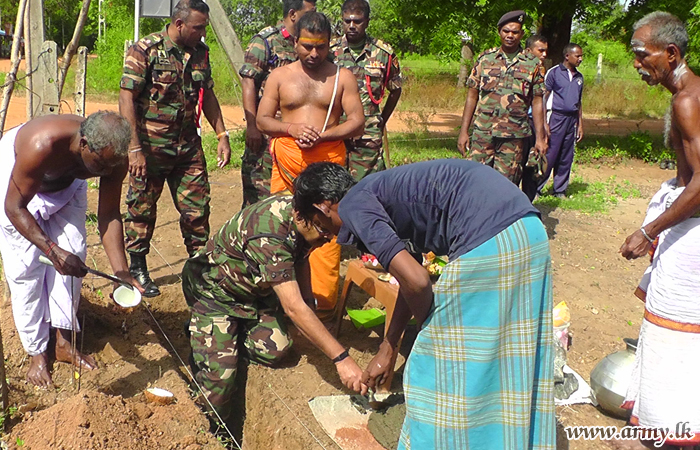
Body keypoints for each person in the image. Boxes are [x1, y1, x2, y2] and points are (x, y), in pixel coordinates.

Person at [298, 160, 555, 449]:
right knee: (505, 353)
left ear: (323, 207)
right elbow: (411, 273)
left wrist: (428, 331)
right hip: (529, 234)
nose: (330, 236)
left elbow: (418, 282)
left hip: (489, 239)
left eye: (322, 226)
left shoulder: (353, 206)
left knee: (429, 361)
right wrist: (389, 345)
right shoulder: (380, 192)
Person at [182, 166, 366, 419]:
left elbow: (300, 260)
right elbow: (293, 307)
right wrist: (342, 359)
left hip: (256, 294)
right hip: (216, 295)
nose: (333, 233)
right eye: (331, 224)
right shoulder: (270, 234)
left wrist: (309, 305)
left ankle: (226, 339)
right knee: (220, 385)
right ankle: (213, 422)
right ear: (322, 208)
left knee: (275, 350)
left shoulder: (305, 217)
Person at [0, 111, 141, 388]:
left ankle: (64, 341)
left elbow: (110, 214)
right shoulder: (42, 144)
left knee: (74, 250)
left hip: (64, 185)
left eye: (110, 166)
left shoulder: (111, 158)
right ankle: (37, 353)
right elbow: (14, 208)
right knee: (26, 267)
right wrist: (51, 250)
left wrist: (121, 273)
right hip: (18, 182)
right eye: (100, 165)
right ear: (84, 144)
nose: (103, 173)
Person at [620, 12, 700, 450]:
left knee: (676, 332)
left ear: (670, 54)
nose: (636, 64)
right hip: (688, 227)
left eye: (641, 54)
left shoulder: (687, 100)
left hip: (693, 236)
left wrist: (649, 231)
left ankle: (672, 433)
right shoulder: (689, 93)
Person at [120, 0, 231, 298]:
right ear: (179, 24)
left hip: (187, 149)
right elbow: (126, 98)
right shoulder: (146, 50)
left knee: (197, 211)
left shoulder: (200, 53)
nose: (202, 32)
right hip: (150, 148)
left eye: (205, 27)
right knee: (141, 208)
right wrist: (134, 149)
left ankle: (198, 268)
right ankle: (138, 267)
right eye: (198, 27)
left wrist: (222, 133)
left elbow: (207, 95)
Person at [256, 11, 364, 312]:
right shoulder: (279, 76)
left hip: (327, 164)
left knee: (326, 232)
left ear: (330, 44)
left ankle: (324, 306)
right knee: (284, 228)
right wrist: (291, 129)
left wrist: (324, 135)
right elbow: (263, 120)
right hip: (287, 163)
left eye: (321, 46)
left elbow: (357, 123)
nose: (314, 53)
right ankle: (286, 303)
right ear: (295, 43)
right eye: (307, 46)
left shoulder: (342, 77)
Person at [239, 0, 317, 208]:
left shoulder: (312, 44)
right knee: (259, 198)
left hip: (296, 137)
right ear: (293, 14)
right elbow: (249, 83)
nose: (313, 17)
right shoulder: (265, 42)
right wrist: (252, 126)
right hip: (267, 134)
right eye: (309, 12)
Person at [457, 10, 547, 186]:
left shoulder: (532, 63)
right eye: (506, 31)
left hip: (514, 136)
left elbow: (537, 102)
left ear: (521, 34)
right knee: (476, 181)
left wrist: (540, 138)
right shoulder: (485, 59)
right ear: (499, 32)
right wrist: (463, 131)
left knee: (506, 185)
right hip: (484, 133)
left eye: (515, 32)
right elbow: (472, 96)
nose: (510, 36)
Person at [331, 0, 402, 181]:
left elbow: (395, 89)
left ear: (367, 21)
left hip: (368, 135)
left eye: (357, 21)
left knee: (368, 187)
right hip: (335, 131)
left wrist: (381, 120)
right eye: (347, 21)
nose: (352, 26)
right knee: (333, 187)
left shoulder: (382, 53)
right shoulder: (330, 52)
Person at [537, 43, 584, 199]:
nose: (580, 59)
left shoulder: (579, 77)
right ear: (567, 56)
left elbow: (579, 102)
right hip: (556, 117)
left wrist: (580, 124)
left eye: (581, 56)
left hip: (571, 120)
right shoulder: (554, 73)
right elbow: (544, 97)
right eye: (578, 56)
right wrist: (544, 123)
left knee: (566, 156)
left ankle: (559, 189)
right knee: (550, 153)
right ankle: (537, 187)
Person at [521, 34, 548, 201]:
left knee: (532, 167)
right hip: (518, 124)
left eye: (546, 51)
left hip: (533, 124)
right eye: (541, 50)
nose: (544, 55)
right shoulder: (520, 70)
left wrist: (543, 129)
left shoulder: (541, 71)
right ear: (529, 51)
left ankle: (527, 204)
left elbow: (540, 103)